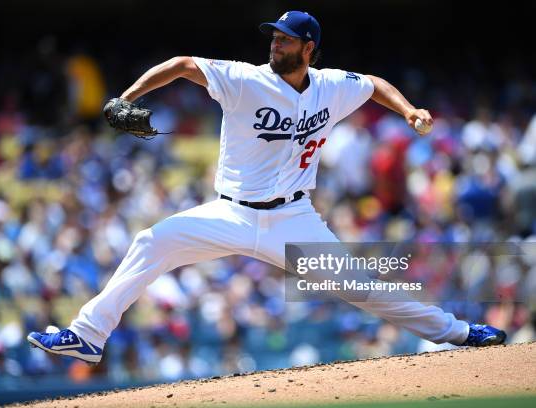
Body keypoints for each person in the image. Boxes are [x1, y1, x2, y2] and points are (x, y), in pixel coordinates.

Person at [27, 11, 506, 364]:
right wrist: (126, 98)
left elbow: (373, 83)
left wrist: (407, 111)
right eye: (274, 37)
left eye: (285, 40)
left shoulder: (331, 86)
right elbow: (181, 63)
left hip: (293, 219)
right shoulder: (244, 80)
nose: (275, 45)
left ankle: (459, 333)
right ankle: (87, 335)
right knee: (151, 242)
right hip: (230, 214)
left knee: (362, 286)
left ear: (308, 48)